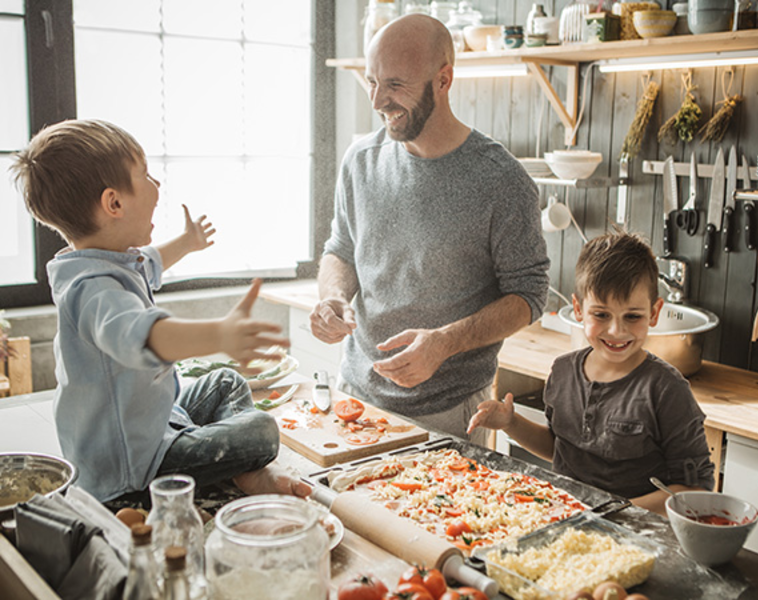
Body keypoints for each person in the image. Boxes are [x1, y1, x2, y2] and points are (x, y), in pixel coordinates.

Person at [11, 119, 311, 502]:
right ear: (114, 203)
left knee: (225, 381)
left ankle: (234, 466)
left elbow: (148, 261)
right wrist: (219, 334)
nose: (157, 185)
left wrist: (186, 243)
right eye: (146, 175)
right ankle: (244, 469)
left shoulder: (108, 260)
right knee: (261, 432)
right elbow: (143, 334)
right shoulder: (93, 290)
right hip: (133, 466)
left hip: (154, 422)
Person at [310, 14, 550, 445]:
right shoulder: (360, 161)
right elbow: (340, 249)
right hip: (357, 398)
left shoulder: (501, 180)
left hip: (451, 416)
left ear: (443, 80)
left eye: (396, 85)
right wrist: (332, 297)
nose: (379, 100)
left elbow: (529, 295)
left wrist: (443, 342)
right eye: (372, 82)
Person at [468, 231, 715, 515]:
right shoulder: (562, 372)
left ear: (655, 312)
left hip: (637, 537)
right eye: (601, 314)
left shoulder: (667, 390)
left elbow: (695, 490)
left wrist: (609, 512)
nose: (616, 330)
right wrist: (511, 423)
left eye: (632, 316)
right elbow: (560, 448)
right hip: (568, 522)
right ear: (578, 309)